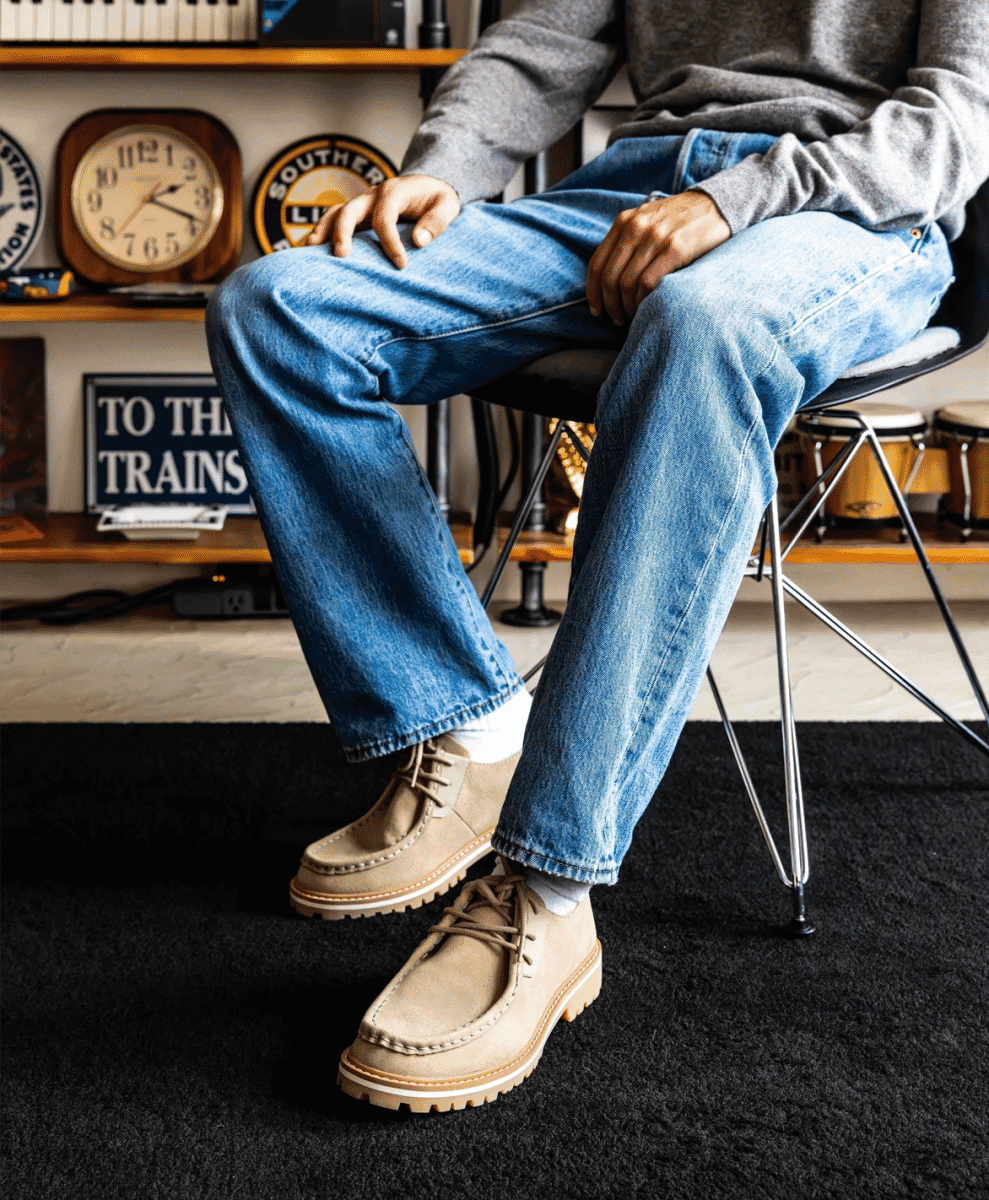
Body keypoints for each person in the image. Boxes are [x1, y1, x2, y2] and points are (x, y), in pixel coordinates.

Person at [206, 0, 987, 1112]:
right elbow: (541, 41)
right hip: (628, 197)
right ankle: (465, 727)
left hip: (846, 214)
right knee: (280, 309)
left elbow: (957, 119)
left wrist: (734, 202)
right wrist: (447, 167)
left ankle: (545, 890)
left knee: (700, 324)